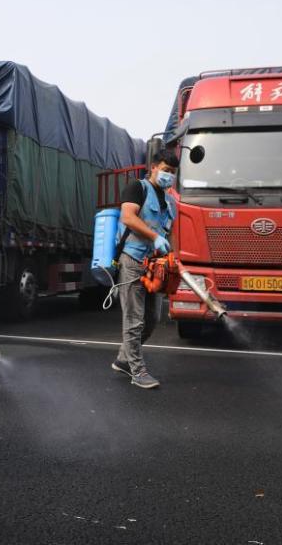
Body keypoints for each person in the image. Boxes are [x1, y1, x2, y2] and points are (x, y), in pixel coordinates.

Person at [111, 149, 179, 389]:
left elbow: (168, 233)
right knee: (134, 320)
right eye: (165, 170)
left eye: (172, 172)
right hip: (132, 261)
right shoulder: (137, 188)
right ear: (153, 167)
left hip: (154, 266)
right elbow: (128, 217)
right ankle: (138, 371)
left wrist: (171, 256)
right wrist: (153, 237)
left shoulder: (171, 201)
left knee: (152, 320)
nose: (168, 175)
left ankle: (123, 359)